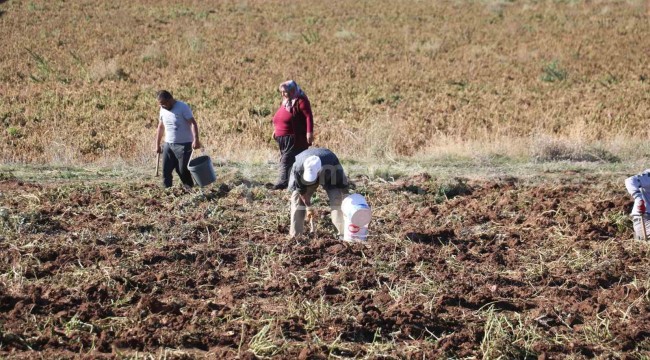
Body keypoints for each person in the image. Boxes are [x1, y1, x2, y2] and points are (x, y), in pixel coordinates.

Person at [288, 148, 348, 238]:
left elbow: (342, 184)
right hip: (301, 173)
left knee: (337, 199)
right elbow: (301, 190)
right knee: (297, 200)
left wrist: (346, 196)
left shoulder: (331, 162)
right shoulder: (298, 167)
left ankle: (342, 234)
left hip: (330, 174)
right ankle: (295, 236)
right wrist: (308, 206)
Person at [271, 80, 314, 190]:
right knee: (288, 159)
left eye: (285, 92)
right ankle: (293, 181)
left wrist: (309, 133)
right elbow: (280, 117)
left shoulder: (301, 100)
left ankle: (282, 183)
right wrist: (276, 130)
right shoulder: (287, 101)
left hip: (293, 137)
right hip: (283, 137)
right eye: (281, 92)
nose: (283, 94)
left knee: (286, 160)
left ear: (292, 90)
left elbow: (308, 116)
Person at [154, 90, 201, 188]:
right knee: (166, 171)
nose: (163, 106)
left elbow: (193, 123)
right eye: (160, 105)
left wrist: (196, 139)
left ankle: (189, 189)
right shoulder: (162, 109)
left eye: (164, 104)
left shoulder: (182, 107)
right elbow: (161, 126)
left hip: (184, 144)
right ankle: (167, 192)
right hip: (168, 144)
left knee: (182, 170)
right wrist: (157, 144)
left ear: (170, 99)